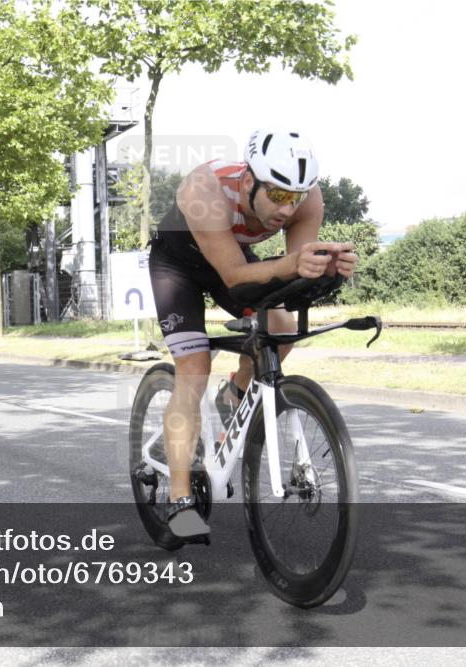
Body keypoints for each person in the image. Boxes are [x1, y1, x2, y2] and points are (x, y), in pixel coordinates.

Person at [148, 129, 360, 538]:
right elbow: (235, 275)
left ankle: (234, 394)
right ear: (249, 182)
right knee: (194, 367)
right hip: (178, 266)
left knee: (281, 328)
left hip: (232, 257)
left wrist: (326, 270)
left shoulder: (307, 199)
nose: (287, 206)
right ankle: (179, 500)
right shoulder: (204, 189)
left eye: (294, 197)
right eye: (278, 195)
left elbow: (294, 272)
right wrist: (296, 262)